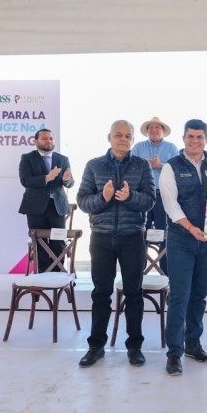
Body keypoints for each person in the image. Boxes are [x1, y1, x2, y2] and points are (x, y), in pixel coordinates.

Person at [76, 120, 156, 368]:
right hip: (101, 238)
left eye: (127, 136)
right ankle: (96, 346)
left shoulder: (142, 165)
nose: (123, 139)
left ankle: (134, 347)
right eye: (118, 135)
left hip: (132, 237)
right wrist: (104, 197)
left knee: (134, 293)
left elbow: (150, 200)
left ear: (132, 140)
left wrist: (130, 197)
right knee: (101, 293)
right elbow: (83, 201)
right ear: (109, 137)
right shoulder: (94, 165)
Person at [159, 119, 207, 376]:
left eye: (199, 137)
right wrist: (190, 227)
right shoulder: (171, 166)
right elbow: (170, 204)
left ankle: (193, 344)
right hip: (181, 240)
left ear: (206, 139)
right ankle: (174, 352)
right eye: (191, 136)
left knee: (199, 294)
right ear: (184, 138)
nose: (195, 141)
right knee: (179, 296)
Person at [17, 128, 74, 272]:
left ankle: (58, 272)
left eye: (51, 138)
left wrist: (66, 180)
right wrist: (47, 178)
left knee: (58, 241)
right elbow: (25, 181)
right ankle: (42, 273)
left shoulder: (63, 159)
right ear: (35, 141)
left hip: (57, 207)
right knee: (40, 241)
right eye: (44, 138)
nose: (48, 141)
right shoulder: (27, 158)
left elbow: (70, 182)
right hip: (36, 207)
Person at [132, 116, 179, 275]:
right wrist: (145, 166)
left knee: (165, 233)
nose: (154, 130)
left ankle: (166, 272)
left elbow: (177, 170)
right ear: (147, 131)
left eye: (157, 127)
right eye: (151, 127)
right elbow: (130, 167)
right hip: (142, 196)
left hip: (163, 196)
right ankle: (138, 271)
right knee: (140, 232)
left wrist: (160, 165)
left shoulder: (172, 148)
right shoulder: (138, 147)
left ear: (163, 131)